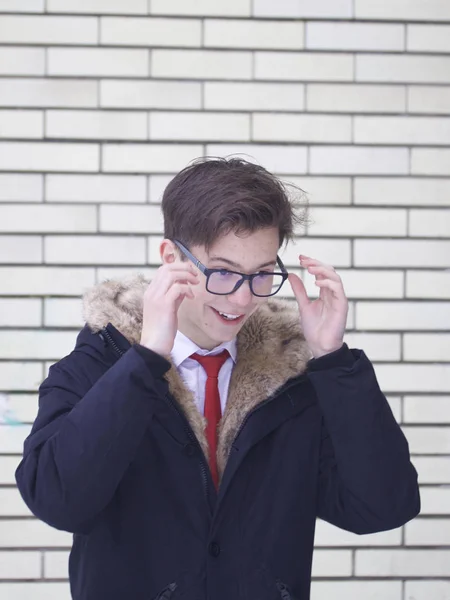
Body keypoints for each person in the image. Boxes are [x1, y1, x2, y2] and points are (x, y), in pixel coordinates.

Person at [16, 157, 420, 600]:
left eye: (263, 274)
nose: (244, 297)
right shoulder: (98, 366)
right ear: (172, 258)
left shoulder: (294, 381)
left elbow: (383, 507)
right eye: (223, 272)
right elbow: (58, 500)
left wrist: (334, 360)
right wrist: (145, 360)